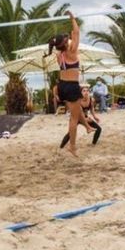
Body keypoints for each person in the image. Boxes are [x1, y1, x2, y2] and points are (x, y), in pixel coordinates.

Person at [48, 11, 93, 157]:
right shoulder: (72, 51)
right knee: (73, 118)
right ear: (65, 43)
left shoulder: (59, 55)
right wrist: (72, 18)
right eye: (66, 39)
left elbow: (73, 35)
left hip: (62, 86)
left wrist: (68, 37)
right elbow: (77, 32)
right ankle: (72, 146)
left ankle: (87, 127)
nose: (69, 39)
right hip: (72, 86)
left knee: (77, 109)